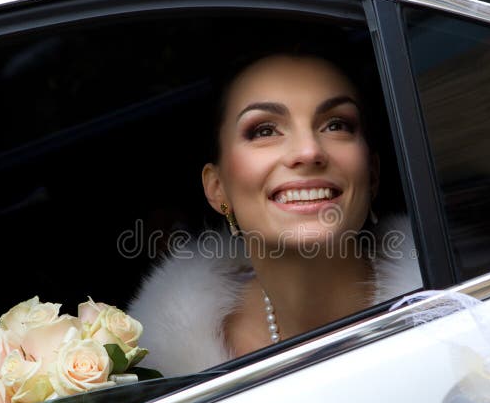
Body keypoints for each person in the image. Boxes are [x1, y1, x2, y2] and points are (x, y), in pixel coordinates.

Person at [127, 51, 421, 376]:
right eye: (264, 131)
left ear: (373, 173)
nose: (308, 151)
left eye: (336, 125)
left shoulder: (464, 304)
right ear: (217, 188)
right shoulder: (166, 371)